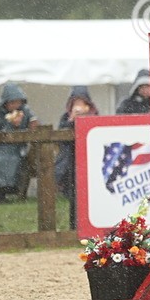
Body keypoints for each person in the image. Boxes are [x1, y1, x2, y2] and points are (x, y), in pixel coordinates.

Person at [0, 82, 38, 204]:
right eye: (12, 102)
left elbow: (35, 122)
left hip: (17, 148)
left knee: (14, 160)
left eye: (18, 102)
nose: (16, 106)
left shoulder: (26, 112)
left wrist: (33, 125)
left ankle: (3, 192)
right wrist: (11, 125)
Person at [54, 86, 98, 229]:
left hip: (91, 161)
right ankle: (74, 227)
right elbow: (61, 139)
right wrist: (72, 120)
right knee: (74, 196)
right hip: (72, 162)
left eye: (82, 101)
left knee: (92, 196)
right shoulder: (64, 117)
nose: (78, 105)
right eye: (76, 102)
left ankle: (92, 227)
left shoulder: (95, 115)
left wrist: (87, 119)